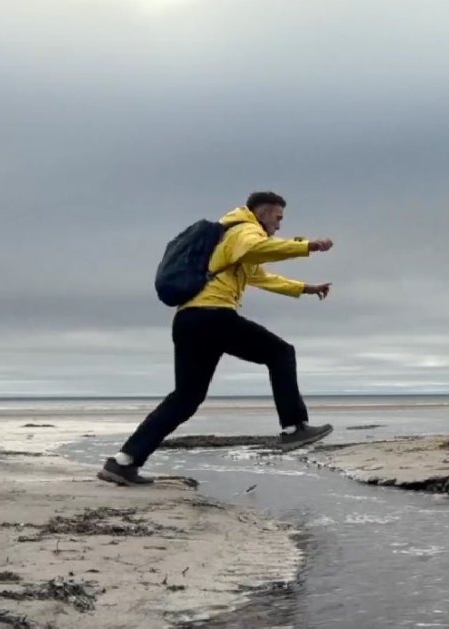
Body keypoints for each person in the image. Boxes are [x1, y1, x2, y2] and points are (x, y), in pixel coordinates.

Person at [97, 191, 335, 486]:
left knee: (186, 399)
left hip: (189, 321)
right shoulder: (243, 230)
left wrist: (305, 288)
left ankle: (123, 462)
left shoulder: (229, 238)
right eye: (278, 218)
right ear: (262, 213)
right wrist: (307, 246)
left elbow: (260, 276)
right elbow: (259, 248)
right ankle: (294, 428)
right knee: (280, 353)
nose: (279, 225)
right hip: (213, 316)